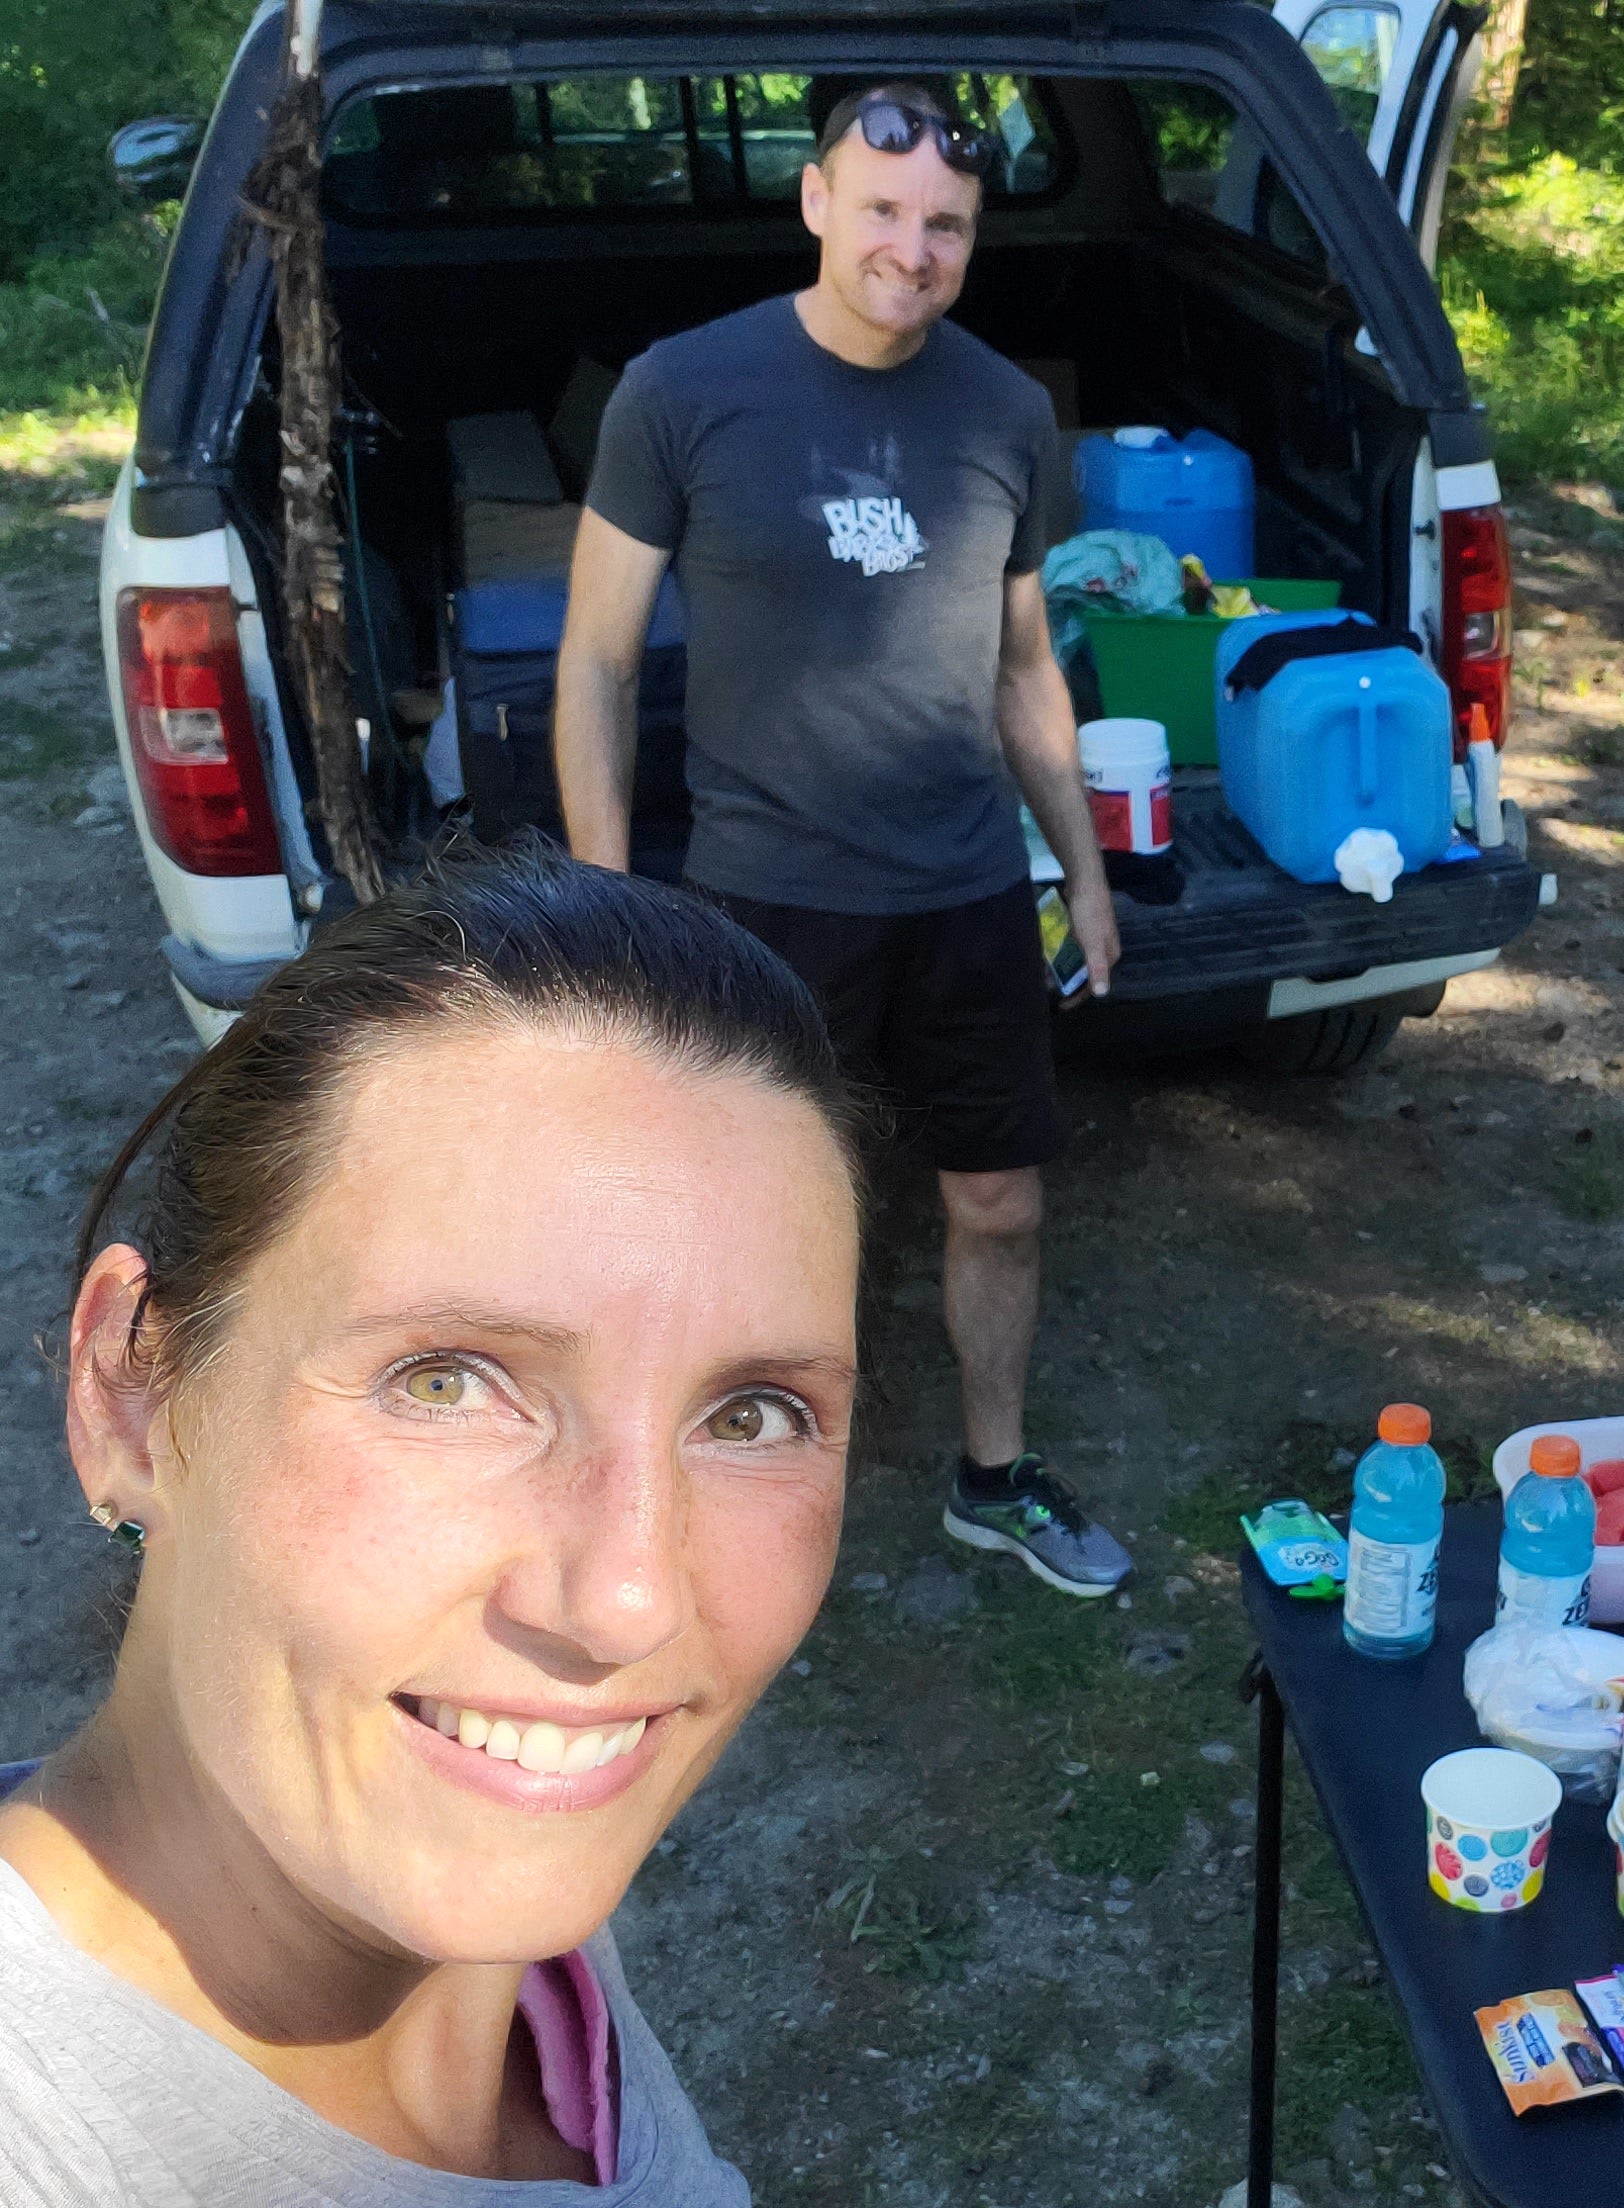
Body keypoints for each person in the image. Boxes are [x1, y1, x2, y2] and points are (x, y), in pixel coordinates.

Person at [0, 846, 867, 2199]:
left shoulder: (519, 1969)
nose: (627, 1601)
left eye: (751, 1414)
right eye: (447, 1383)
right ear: (129, 1393)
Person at [552, 77, 1135, 1599]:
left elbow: (1024, 666)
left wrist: (1077, 865)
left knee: (999, 1199)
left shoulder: (1007, 412)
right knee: (744, 1216)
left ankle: (992, 1480)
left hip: (963, 889)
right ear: (816, 201)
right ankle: (690, 1504)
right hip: (763, 898)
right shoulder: (681, 392)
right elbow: (597, 662)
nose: (913, 247)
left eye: (945, 224)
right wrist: (608, 910)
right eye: (881, 211)